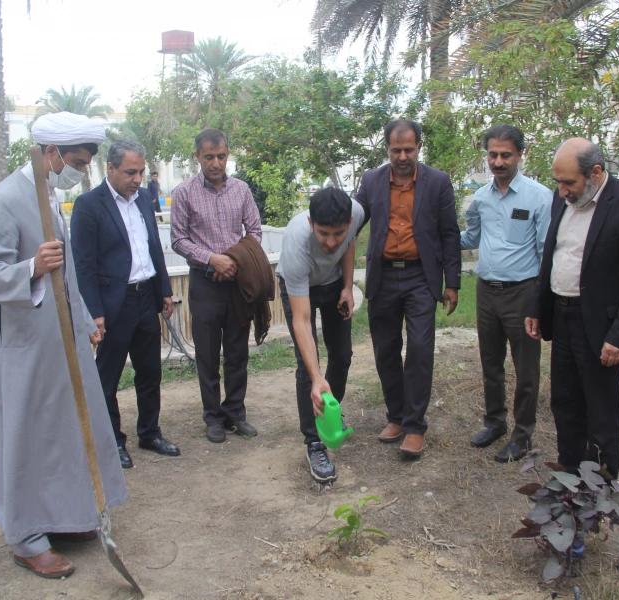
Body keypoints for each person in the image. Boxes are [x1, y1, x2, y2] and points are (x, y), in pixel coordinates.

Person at [0, 112, 127, 579]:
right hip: (23, 348)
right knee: (24, 437)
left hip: (61, 343)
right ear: (50, 154)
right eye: (76, 161)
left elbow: (68, 274)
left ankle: (60, 516)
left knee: (59, 434)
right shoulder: (5, 199)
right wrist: (32, 268)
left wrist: (83, 320)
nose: (80, 171)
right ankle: (24, 536)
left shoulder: (52, 198)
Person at [525, 137, 619, 480]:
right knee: (565, 406)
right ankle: (569, 486)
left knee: (600, 412)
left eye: (568, 182)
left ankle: (597, 496)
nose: (562, 191)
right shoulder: (563, 200)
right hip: (563, 317)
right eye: (558, 182)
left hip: (602, 328)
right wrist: (538, 306)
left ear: (596, 173)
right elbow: (551, 256)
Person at [70, 140, 179, 469]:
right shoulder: (89, 205)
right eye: (131, 172)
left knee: (150, 373)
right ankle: (112, 441)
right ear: (111, 168)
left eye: (142, 172)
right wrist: (95, 313)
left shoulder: (144, 197)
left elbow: (153, 247)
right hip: (113, 305)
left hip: (146, 298)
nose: (137, 178)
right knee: (108, 378)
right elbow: (84, 265)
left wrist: (164, 290)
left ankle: (150, 432)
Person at [356, 119, 461, 458]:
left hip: (420, 277)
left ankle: (415, 426)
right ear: (386, 148)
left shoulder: (438, 182)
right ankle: (397, 417)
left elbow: (449, 233)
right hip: (382, 276)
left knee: (418, 349)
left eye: (408, 149)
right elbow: (353, 220)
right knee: (385, 350)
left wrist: (453, 283)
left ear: (418, 147)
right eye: (395, 149)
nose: (402, 156)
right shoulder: (371, 179)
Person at [460, 125, 552, 462]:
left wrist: (541, 302)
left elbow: (547, 253)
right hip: (487, 292)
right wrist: (435, 237)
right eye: (492, 155)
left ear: (520, 154)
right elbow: (471, 238)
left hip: (523, 293)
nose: (498, 162)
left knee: (526, 368)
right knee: (490, 364)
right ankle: (495, 423)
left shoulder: (539, 197)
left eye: (505, 155)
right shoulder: (481, 198)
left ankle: (522, 435)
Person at [171, 128, 262, 443]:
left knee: (237, 352)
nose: (216, 163)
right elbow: (178, 240)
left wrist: (234, 261)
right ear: (197, 156)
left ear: (228, 155)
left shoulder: (241, 190)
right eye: (209, 157)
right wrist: (212, 259)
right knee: (208, 354)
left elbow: (254, 231)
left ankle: (235, 412)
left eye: (221, 156)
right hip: (204, 284)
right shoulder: (184, 192)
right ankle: (212, 417)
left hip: (236, 283)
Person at [276, 187, 364, 482]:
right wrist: (316, 377)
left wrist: (348, 287)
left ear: (349, 221)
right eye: (323, 233)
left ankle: (328, 414)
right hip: (299, 288)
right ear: (311, 223)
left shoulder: (357, 214)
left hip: (333, 283)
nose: (330, 242)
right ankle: (314, 442)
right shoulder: (296, 243)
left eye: (337, 233)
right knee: (307, 365)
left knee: (342, 356)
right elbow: (302, 320)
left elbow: (348, 244)